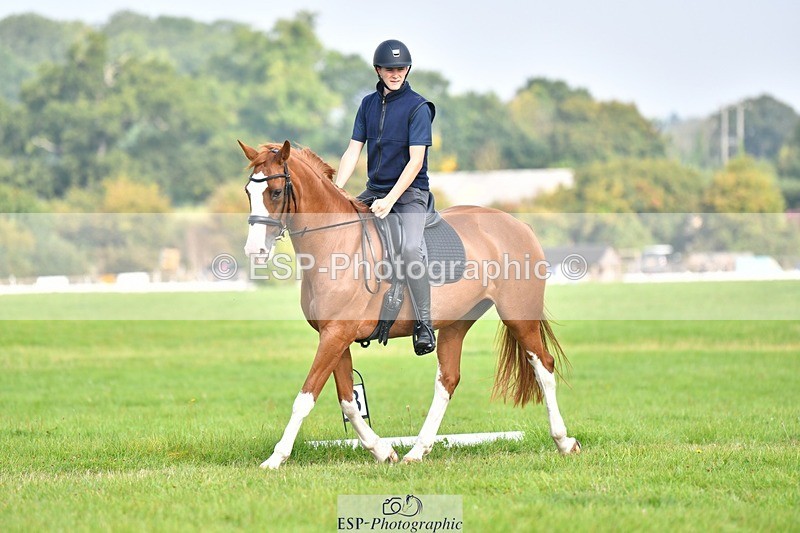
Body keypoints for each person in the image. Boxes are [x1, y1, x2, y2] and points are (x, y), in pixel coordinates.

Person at [335, 39, 437, 356]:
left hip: (410, 194)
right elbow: (353, 150)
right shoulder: (367, 104)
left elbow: (416, 161)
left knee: (409, 248)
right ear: (378, 70)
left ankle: (423, 325)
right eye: (390, 69)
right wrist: (337, 191)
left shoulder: (418, 107)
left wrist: (391, 200)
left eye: (401, 68)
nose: (395, 74)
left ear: (407, 70)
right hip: (375, 189)